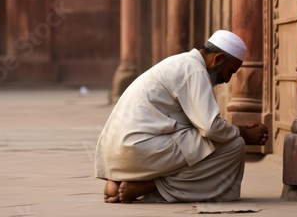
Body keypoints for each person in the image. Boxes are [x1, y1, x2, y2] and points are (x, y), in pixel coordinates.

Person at [95, 30, 269, 203]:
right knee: (234, 144)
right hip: (138, 149)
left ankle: (120, 179)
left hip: (118, 153)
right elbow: (210, 127)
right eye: (230, 71)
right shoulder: (195, 71)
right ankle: (153, 187)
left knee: (208, 140)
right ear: (218, 59)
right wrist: (243, 133)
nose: (228, 79)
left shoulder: (180, 63)